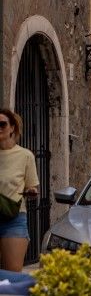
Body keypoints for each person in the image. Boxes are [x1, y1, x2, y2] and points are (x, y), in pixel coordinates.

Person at [0, 109, 38, 273]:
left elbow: (33, 186)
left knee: (12, 274)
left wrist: (31, 191)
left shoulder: (25, 156)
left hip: (14, 219)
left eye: (2, 124)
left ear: (12, 128)